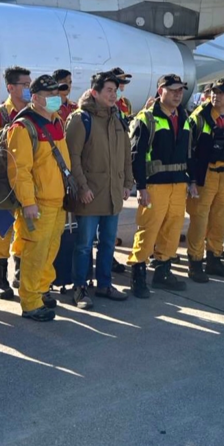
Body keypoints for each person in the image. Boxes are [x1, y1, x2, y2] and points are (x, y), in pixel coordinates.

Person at [8, 74, 74, 321]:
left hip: (57, 200)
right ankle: (30, 301)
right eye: (50, 95)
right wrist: (28, 203)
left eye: (58, 93)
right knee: (35, 254)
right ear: (35, 98)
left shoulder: (56, 120)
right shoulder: (24, 127)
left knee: (50, 251)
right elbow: (19, 171)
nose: (56, 98)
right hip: (39, 203)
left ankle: (42, 289)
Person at [65, 72, 132, 306]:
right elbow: (72, 157)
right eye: (109, 91)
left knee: (107, 242)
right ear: (95, 93)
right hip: (90, 195)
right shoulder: (80, 118)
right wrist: (82, 187)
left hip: (113, 193)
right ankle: (80, 288)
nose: (114, 95)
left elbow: (126, 153)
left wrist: (127, 183)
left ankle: (104, 284)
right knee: (84, 245)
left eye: (115, 90)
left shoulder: (117, 117)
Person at [127, 74, 192, 297]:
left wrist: (190, 180)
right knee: (148, 229)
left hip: (178, 184)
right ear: (160, 90)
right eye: (173, 90)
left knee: (172, 230)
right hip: (155, 185)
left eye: (180, 90)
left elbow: (189, 152)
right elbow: (136, 155)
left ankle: (163, 271)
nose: (178, 94)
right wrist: (141, 187)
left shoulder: (184, 117)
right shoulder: (146, 119)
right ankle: (138, 274)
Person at [185, 77, 224, 282]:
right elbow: (189, 149)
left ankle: (214, 258)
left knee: (220, 220)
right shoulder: (199, 116)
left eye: (221, 92)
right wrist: (192, 179)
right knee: (199, 219)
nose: (215, 95)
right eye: (213, 91)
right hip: (206, 175)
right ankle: (195, 262)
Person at [0, 66, 32, 301]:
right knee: (1, 231)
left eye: (29, 84)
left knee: (25, 230)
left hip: (27, 180)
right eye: (24, 85)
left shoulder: (35, 112)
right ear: (10, 88)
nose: (29, 89)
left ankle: (20, 270)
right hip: (2, 182)